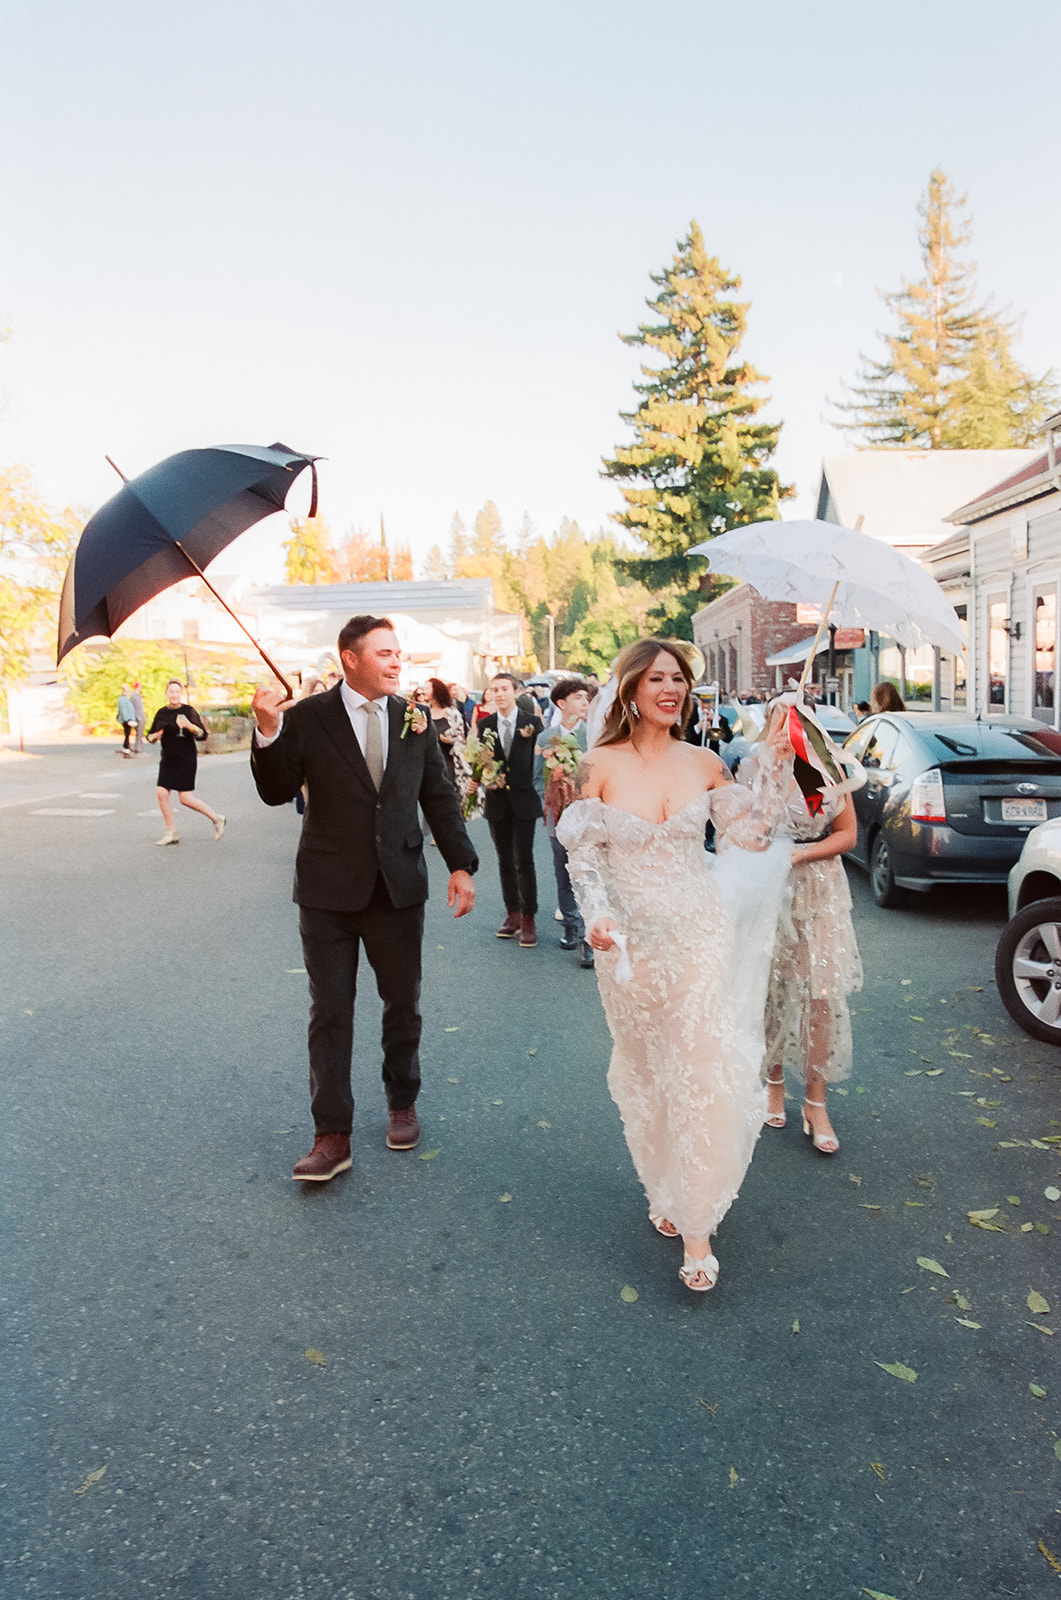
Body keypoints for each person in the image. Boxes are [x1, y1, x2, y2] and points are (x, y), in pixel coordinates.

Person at [556, 638, 773, 1294]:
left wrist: (776, 777)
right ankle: (666, 1183)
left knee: (694, 1065)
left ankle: (699, 1226)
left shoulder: (706, 762)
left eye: (678, 678)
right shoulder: (595, 765)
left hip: (699, 935)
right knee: (648, 1070)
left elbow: (750, 836)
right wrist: (595, 914)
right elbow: (584, 859)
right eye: (656, 678)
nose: (670, 687)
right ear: (629, 690)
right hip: (628, 947)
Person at [250, 615, 478, 1182]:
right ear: (350, 659)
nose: (397, 661)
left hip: (397, 886)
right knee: (330, 1010)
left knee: (402, 1003)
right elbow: (276, 791)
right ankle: (332, 1135)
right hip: (327, 891)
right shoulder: (306, 718)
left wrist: (460, 864)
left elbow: (439, 795)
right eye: (384, 653)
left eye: (399, 651)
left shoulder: (414, 720)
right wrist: (267, 728)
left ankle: (402, 1101)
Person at [748, 694, 863, 1155]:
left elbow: (847, 834)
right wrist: (772, 774)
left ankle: (816, 1102)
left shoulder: (828, 772)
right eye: (778, 718)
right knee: (772, 990)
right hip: (769, 889)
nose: (785, 727)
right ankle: (773, 1082)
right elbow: (749, 829)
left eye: (794, 719)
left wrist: (802, 854)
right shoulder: (753, 767)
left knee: (820, 995)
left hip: (820, 892)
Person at [475, 671, 543, 947]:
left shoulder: (532, 723)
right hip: (497, 802)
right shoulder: (486, 724)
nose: (499, 694)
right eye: (494, 690)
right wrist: (484, 778)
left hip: (524, 799)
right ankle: (512, 914)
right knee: (504, 860)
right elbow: (481, 758)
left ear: (516, 691)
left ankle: (529, 917)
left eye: (504, 688)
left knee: (523, 860)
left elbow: (539, 762)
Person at [534, 677, 592, 966]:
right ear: (562, 703)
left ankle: (588, 936)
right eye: (579, 697)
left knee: (588, 872)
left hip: (588, 816)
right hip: (556, 816)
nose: (585, 703)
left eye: (586, 698)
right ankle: (571, 925)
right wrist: (549, 795)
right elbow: (535, 778)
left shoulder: (592, 737)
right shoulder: (546, 738)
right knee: (564, 872)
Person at [146, 680, 226, 846]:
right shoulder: (162, 713)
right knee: (161, 793)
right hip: (168, 758)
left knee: (185, 798)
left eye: (176, 692)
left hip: (186, 758)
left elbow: (202, 734)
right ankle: (171, 832)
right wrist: (154, 737)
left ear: (180, 693)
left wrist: (189, 726)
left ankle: (216, 818)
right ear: (166, 693)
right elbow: (150, 735)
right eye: (171, 692)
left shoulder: (188, 711)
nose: (173, 695)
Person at [424, 677, 469, 795]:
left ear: (436, 690)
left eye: (427, 688)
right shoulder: (424, 712)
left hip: (448, 764)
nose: (424, 691)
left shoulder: (452, 713)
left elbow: (461, 739)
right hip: (427, 766)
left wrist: (451, 741)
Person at [117, 684, 136, 755]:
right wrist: (127, 719)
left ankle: (127, 747)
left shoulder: (125, 699)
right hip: (127, 720)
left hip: (129, 719)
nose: (129, 692)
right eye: (128, 691)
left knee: (127, 734)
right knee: (127, 734)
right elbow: (124, 710)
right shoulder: (122, 699)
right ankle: (126, 748)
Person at [130, 681, 145, 753]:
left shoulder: (139, 696)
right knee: (138, 732)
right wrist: (136, 716)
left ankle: (139, 746)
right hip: (137, 716)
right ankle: (137, 747)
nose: (140, 688)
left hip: (142, 715)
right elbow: (132, 707)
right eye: (140, 686)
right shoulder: (133, 696)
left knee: (141, 732)